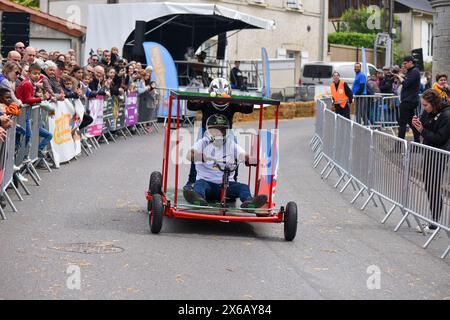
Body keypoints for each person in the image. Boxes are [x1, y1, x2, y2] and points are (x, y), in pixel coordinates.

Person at [183, 114, 268, 210]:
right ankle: (198, 199)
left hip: (228, 186)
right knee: (199, 185)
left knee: (243, 187)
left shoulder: (230, 144)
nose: (219, 133)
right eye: (215, 130)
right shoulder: (203, 143)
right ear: (209, 130)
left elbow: (242, 154)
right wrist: (200, 156)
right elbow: (189, 155)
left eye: (222, 130)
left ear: (226, 132)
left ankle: (249, 202)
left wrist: (249, 159)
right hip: (207, 182)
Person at [184, 78, 254, 190]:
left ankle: (232, 179)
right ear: (211, 93)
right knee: (196, 151)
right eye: (217, 98)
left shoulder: (232, 103)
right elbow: (191, 106)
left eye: (223, 97)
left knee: (235, 152)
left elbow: (248, 109)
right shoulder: (206, 101)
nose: (220, 100)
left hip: (226, 133)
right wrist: (193, 101)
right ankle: (192, 181)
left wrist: (247, 103)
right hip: (206, 131)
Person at [412, 89, 450, 233]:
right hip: (428, 151)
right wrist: (415, 125)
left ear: (434, 104)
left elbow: (440, 138)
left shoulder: (446, 115)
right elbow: (422, 127)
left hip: (439, 154)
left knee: (433, 187)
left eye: (426, 105)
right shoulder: (428, 111)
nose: (424, 108)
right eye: (422, 105)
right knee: (429, 186)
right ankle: (433, 220)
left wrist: (422, 130)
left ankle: (434, 224)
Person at [394, 56, 421, 142]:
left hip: (408, 101)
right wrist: (402, 76)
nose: (404, 65)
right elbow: (409, 82)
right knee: (412, 123)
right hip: (409, 100)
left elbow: (406, 84)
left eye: (405, 63)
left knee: (402, 124)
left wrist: (399, 77)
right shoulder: (412, 71)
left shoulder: (414, 71)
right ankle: (418, 144)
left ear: (410, 62)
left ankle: (398, 146)